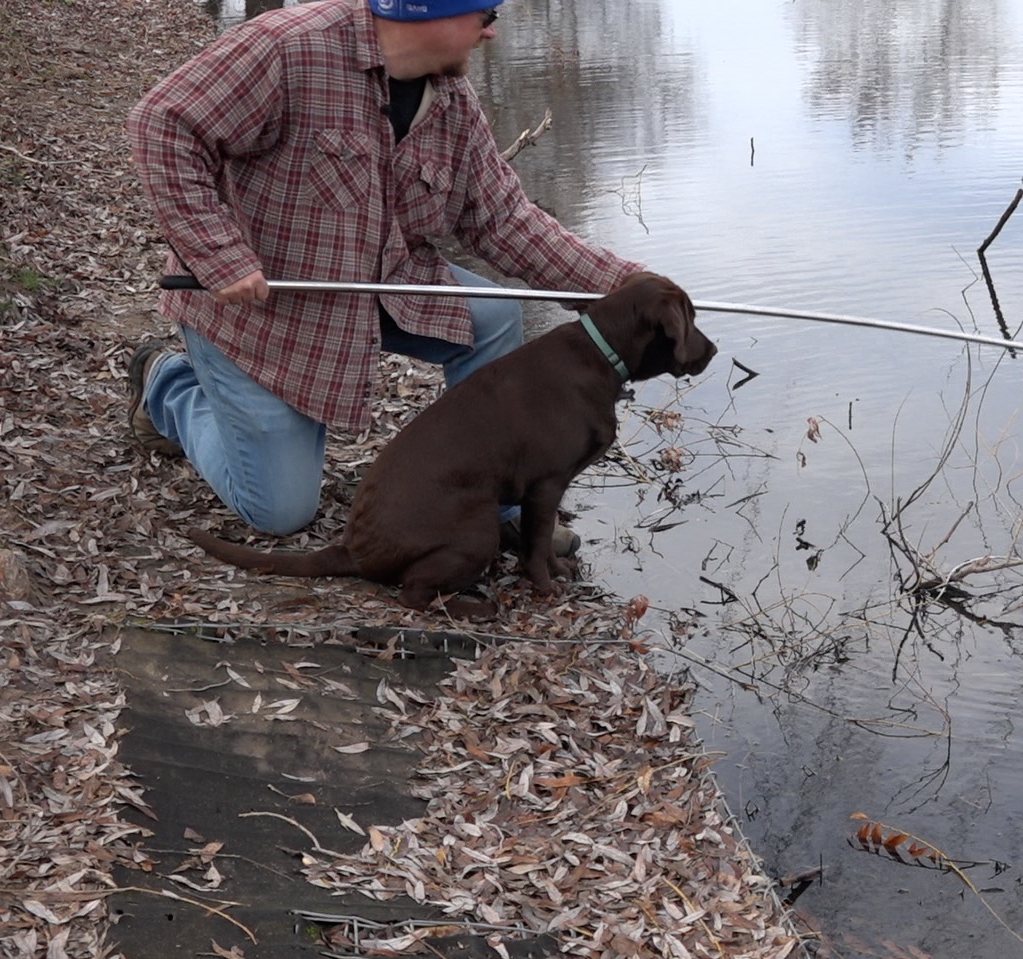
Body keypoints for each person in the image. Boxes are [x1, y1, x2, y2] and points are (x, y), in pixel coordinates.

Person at [126, 0, 645, 554]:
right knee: (279, 512)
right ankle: (168, 385)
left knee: (494, 314)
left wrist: (630, 290)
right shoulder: (289, 47)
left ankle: (497, 505)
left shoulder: (452, 102)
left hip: (379, 285)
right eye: (486, 15)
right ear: (432, 11)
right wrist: (221, 256)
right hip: (260, 317)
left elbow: (505, 222)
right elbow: (163, 124)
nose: (491, 34)